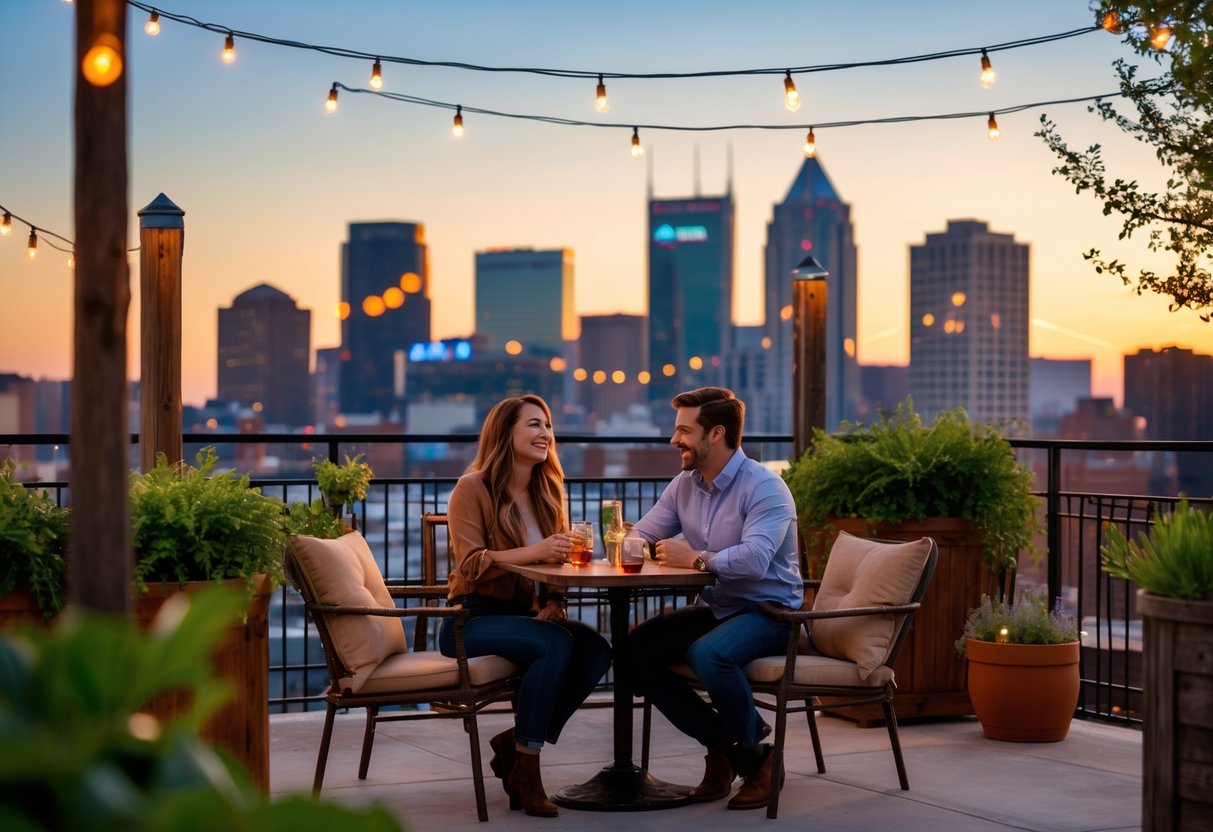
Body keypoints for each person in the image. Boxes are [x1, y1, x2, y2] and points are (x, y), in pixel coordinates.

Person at [625, 386, 801, 811]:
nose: (674, 440)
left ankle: (756, 761)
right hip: (721, 608)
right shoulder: (684, 485)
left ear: (716, 433)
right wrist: (635, 544)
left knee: (710, 655)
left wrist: (697, 560)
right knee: (632, 652)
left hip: (772, 613)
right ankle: (729, 750)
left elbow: (757, 560)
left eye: (684, 430)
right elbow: (641, 535)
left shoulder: (765, 487)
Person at [441, 394, 611, 818]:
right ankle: (529, 771)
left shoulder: (547, 490)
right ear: (506, 433)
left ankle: (513, 745)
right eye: (534, 425)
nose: (545, 434)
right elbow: (471, 565)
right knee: (553, 645)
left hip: (522, 616)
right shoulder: (472, 487)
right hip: (471, 617)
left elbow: (555, 561)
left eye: (548, 425)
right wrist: (533, 551)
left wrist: (555, 600)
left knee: (596, 649)